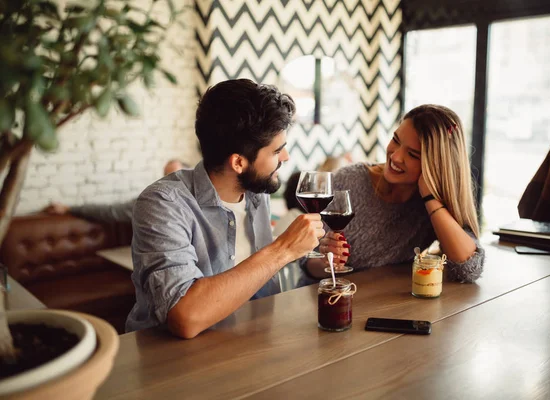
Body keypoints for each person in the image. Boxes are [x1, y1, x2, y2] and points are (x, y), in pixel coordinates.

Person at [126, 79, 325, 338]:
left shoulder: (255, 192)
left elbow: (256, 274)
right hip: (175, 361)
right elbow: (186, 317)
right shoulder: (163, 204)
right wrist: (283, 249)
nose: (285, 158)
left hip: (255, 342)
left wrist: (309, 258)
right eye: (277, 151)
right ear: (238, 162)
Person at [304, 104, 485, 283]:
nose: (396, 156)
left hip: (382, 302)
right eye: (396, 140)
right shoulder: (348, 181)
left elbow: (468, 270)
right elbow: (306, 263)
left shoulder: (431, 203)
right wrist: (326, 261)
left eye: (413, 154)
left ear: (436, 166)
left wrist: (431, 198)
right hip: (326, 298)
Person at [42, 159, 190, 223]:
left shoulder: (203, 200)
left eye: (176, 175)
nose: (171, 182)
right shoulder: (153, 203)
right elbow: (110, 211)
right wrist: (69, 208)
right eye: (167, 176)